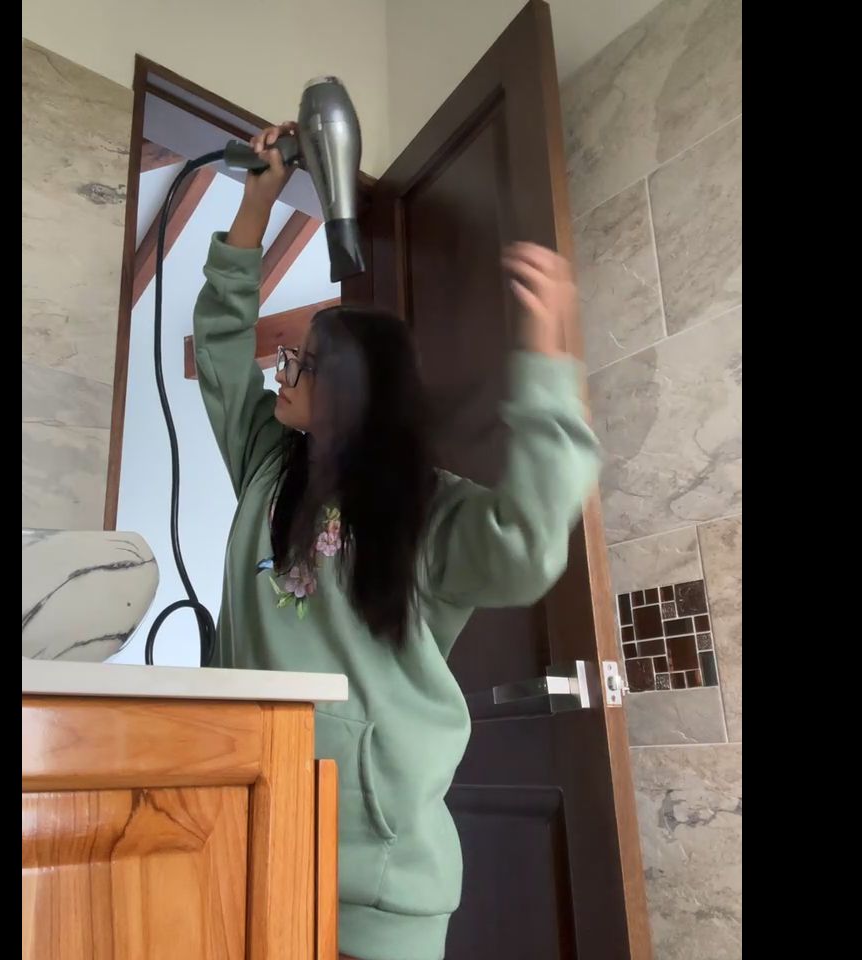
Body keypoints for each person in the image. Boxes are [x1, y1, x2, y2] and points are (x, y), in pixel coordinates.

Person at [192, 121, 601, 960]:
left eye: (302, 363)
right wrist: (257, 201)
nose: (281, 370)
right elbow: (223, 352)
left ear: (352, 393)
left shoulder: (427, 513)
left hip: (377, 895)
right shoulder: (267, 466)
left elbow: (529, 544)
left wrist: (549, 364)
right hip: (246, 848)